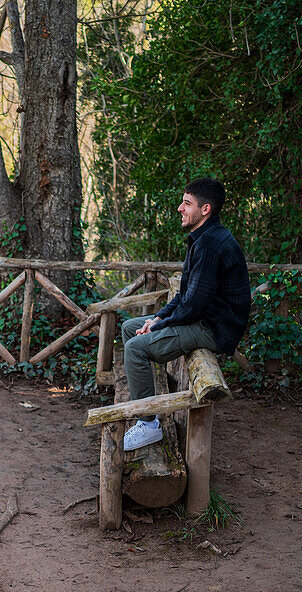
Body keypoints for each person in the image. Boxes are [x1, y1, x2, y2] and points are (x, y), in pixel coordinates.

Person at [120, 177, 251, 451]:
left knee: (134, 349)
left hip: (214, 329)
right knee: (131, 327)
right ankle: (147, 389)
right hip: (203, 318)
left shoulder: (210, 245)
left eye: (187, 203)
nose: (180, 208)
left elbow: (193, 307)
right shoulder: (202, 238)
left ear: (205, 210)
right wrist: (157, 319)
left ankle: (148, 425)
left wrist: (159, 326)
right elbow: (185, 296)